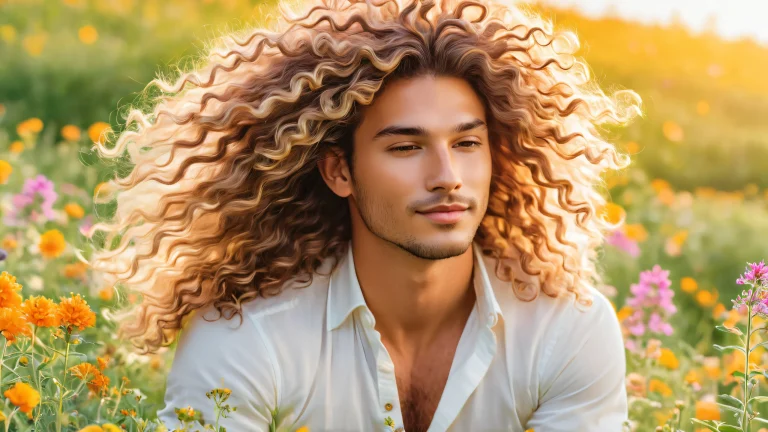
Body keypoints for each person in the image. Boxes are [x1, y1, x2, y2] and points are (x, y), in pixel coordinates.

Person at [87, 0, 642, 430]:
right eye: (406, 147)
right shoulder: (247, 338)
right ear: (339, 173)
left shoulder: (565, 330)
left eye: (468, 144)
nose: (447, 175)